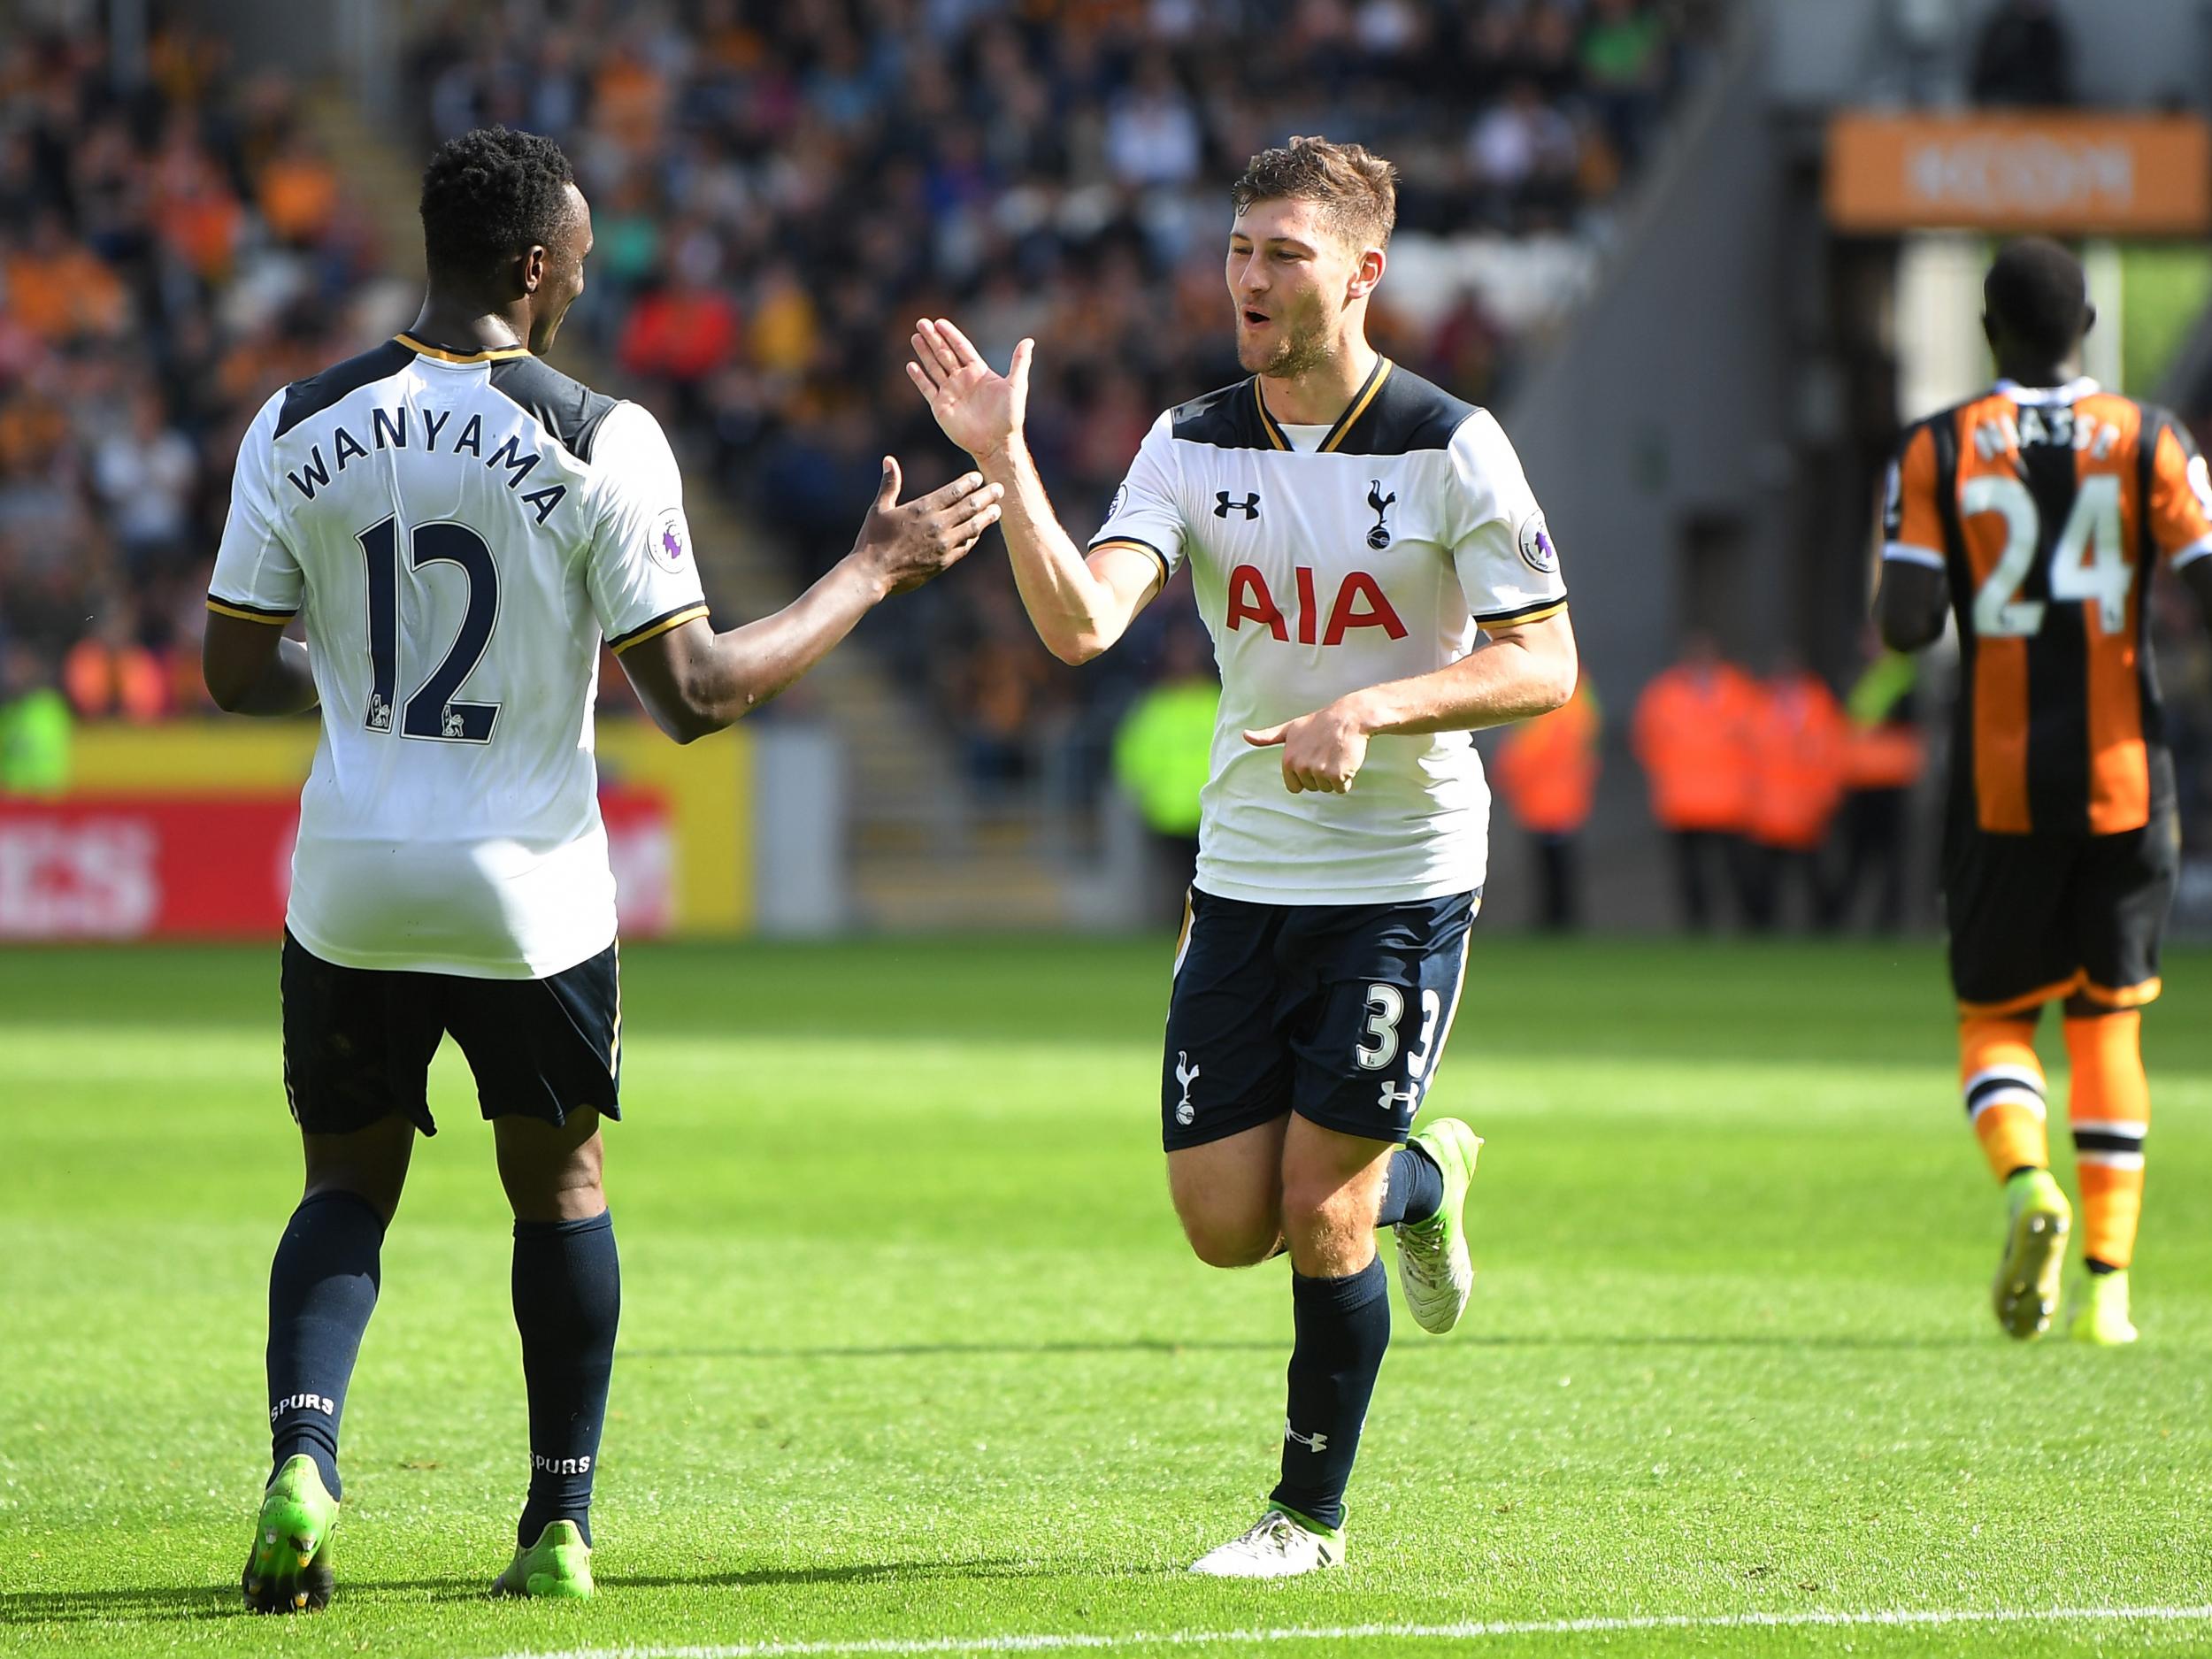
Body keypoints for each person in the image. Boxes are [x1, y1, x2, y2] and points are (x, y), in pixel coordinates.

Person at [204, 126, 1001, 1611]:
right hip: (527, 887)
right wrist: (872, 570)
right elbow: (693, 695)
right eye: (578, 255)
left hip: (356, 874)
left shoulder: (295, 422)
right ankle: (557, 1526)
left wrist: (354, 681)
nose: (586, 274)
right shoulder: (597, 434)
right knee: (560, 1185)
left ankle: (303, 1464)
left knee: (344, 1187)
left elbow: (229, 670)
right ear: (530, 265)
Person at [908, 135, 1576, 1577]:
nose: (1251, 279)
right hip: (1244, 878)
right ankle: (1429, 1183)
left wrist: (1375, 704)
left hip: (1402, 879)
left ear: (1363, 273)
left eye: (1284, 253)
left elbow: (1547, 663)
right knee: (1226, 1226)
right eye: (1238, 250)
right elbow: (1083, 624)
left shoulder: (1453, 444)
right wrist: (1007, 460)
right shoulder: (1189, 439)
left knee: (1316, 1210)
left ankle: (1308, 1520)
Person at [1875, 237, 2212, 1348]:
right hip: (2128, 777)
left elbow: (1907, 623)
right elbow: (2206, 583)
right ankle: (2108, 1296)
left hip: (1999, 780)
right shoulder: (2149, 438)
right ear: (2088, 333)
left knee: (1997, 1016)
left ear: (1986, 334)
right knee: (2109, 1025)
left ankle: (2028, 1184)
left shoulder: (1939, 448)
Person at [1631, 633, 1756, 930]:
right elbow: (1645, 739)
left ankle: (1749, 925)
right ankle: (1698, 926)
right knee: (1692, 874)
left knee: (1737, 871)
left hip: (1729, 801)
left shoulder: (1738, 689)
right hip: (1682, 800)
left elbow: (1759, 740)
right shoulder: (1664, 693)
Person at [1110, 624, 1218, 922]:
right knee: (1185, 884)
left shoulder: (1217, 700)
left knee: (1205, 884)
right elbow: (1132, 755)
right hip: (1169, 813)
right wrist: (1144, 792)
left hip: (1209, 813)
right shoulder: (1156, 704)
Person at [1740, 651, 1847, 933]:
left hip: (1807, 808)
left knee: (1814, 876)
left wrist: (1827, 796)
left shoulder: (1817, 706)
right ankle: (1762, 928)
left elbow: (1832, 755)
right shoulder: (1760, 707)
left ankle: (1825, 926)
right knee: (1765, 879)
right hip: (1769, 811)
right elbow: (1746, 757)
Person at [1824, 637, 1925, 933]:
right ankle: (1851, 920)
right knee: (1863, 856)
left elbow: (1870, 723)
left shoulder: (1898, 678)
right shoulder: (1872, 676)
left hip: (1887, 782)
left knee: (1883, 856)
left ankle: (1887, 919)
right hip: (1862, 781)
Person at [1490, 673, 1599, 930]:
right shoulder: (1575, 692)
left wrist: (1508, 772)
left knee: (1556, 860)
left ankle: (1559, 917)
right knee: (1550, 860)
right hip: (1545, 795)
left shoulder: (1561, 695)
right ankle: (1557, 916)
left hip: (1552, 793)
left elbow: (1527, 748)